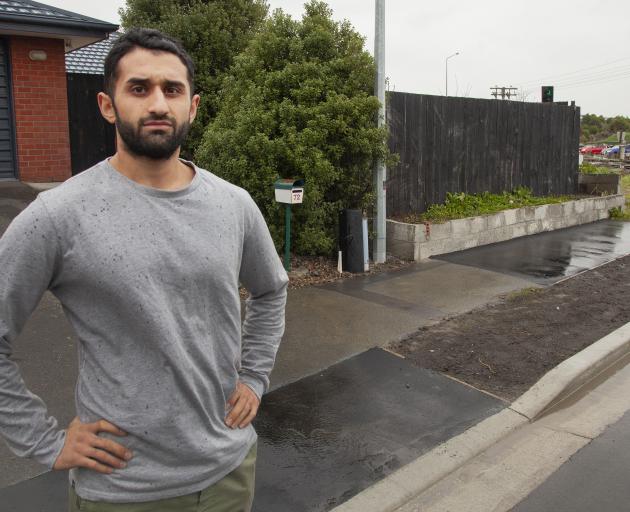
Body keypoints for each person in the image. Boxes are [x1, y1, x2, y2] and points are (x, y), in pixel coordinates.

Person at [0, 28, 288, 511]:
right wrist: (45, 443)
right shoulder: (58, 216)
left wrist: (255, 377)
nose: (158, 103)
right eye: (139, 88)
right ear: (108, 105)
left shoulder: (233, 205)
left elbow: (271, 291)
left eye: (171, 90)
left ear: (192, 106)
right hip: (123, 492)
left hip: (229, 474)